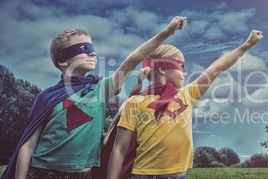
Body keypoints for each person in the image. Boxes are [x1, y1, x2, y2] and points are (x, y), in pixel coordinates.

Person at [0, 16, 187, 179]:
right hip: (44, 173)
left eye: (92, 48)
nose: (92, 52)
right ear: (63, 61)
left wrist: (167, 32)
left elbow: (133, 59)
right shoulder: (46, 97)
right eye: (82, 48)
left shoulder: (101, 89)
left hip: (85, 175)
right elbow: (29, 144)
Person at [106, 29, 263, 179]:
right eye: (181, 66)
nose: (186, 73)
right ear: (162, 69)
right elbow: (119, 149)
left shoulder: (188, 94)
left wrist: (247, 44)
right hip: (144, 175)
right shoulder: (135, 102)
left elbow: (217, 67)